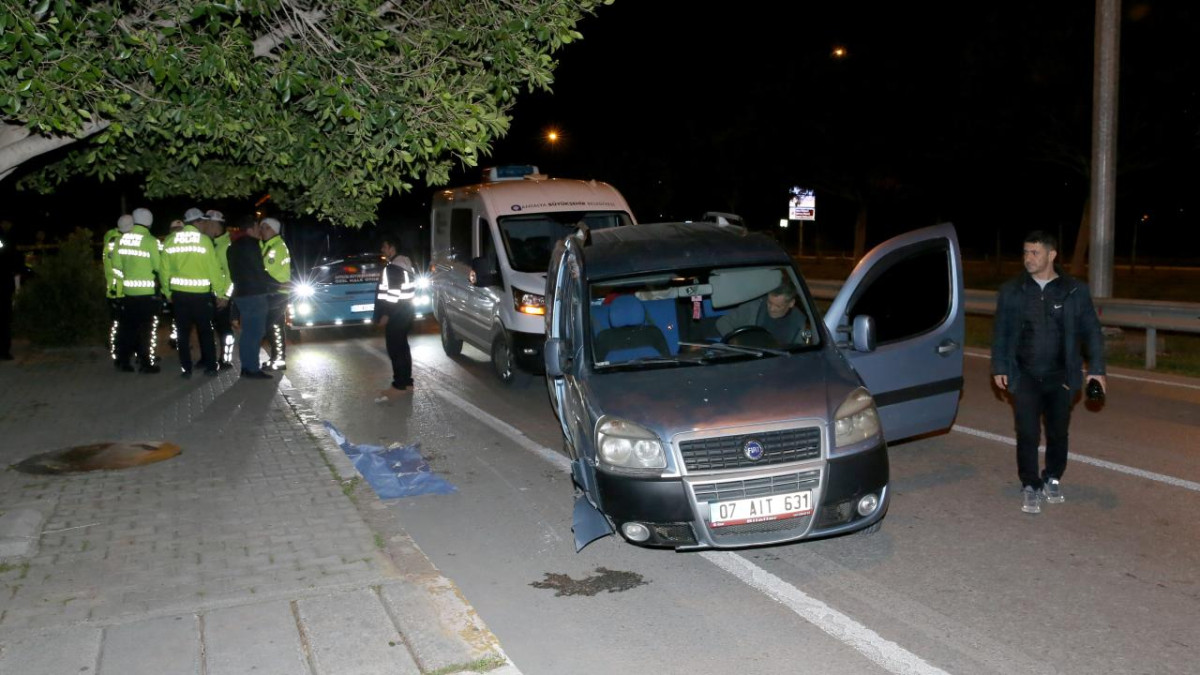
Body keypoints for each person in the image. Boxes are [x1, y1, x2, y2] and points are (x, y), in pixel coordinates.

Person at [992, 230, 1106, 514]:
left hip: (1061, 377)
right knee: (1027, 432)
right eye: (1025, 252)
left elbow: (1092, 331)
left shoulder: (1074, 291)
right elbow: (1001, 332)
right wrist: (999, 366)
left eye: (1035, 253)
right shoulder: (1012, 291)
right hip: (1025, 374)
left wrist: (1097, 370)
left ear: (1051, 255)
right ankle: (1030, 484)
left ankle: (1053, 476)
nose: (1028, 258)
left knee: (1058, 433)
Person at [162, 209, 227, 377]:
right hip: (200, 296)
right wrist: (220, 293)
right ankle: (211, 368)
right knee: (205, 331)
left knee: (183, 334)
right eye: (203, 221)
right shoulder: (204, 241)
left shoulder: (171, 241)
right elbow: (213, 270)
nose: (205, 223)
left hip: (179, 295)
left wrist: (167, 292)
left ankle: (186, 369)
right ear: (197, 222)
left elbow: (164, 271)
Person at [112, 208, 164, 373]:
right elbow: (158, 266)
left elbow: (117, 265)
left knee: (127, 328)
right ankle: (144, 363)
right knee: (145, 330)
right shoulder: (150, 241)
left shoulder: (122, 239)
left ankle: (123, 360)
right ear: (150, 221)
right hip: (146, 294)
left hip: (128, 292)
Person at [226, 220, 274, 379]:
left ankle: (246, 367)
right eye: (257, 227)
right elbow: (258, 270)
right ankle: (252, 368)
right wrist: (276, 284)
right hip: (255, 293)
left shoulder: (232, 247)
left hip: (240, 293)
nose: (260, 231)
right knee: (256, 332)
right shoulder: (252, 245)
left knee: (247, 332)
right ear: (250, 229)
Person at [373, 234, 417, 401]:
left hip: (396, 315)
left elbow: (393, 294)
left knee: (395, 350)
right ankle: (407, 383)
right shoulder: (405, 264)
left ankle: (399, 385)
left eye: (385, 246)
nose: (382, 250)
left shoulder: (394, 268)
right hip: (405, 312)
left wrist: (386, 314)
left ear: (392, 248)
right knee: (403, 348)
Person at [716, 281, 811, 345]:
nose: (772, 309)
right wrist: (735, 341)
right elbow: (722, 322)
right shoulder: (754, 308)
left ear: (791, 303)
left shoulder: (799, 322)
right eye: (769, 302)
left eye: (778, 306)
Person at [259, 217, 291, 370]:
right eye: (261, 227)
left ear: (273, 230)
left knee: (275, 327)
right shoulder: (266, 245)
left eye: (265, 227)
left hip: (277, 293)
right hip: (271, 292)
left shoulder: (278, 247)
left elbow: (269, 272)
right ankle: (275, 358)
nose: (262, 230)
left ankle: (279, 360)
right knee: (271, 327)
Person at [205, 210, 235, 369]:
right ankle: (215, 358)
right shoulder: (215, 244)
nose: (204, 227)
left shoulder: (224, 246)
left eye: (207, 224)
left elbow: (232, 275)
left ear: (214, 225)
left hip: (221, 298)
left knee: (224, 329)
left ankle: (226, 360)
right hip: (213, 296)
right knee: (217, 328)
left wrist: (225, 296)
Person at [101, 216, 130, 366]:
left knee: (119, 325)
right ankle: (120, 357)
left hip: (114, 290)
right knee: (122, 327)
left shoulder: (111, 240)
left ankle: (120, 354)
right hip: (119, 291)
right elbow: (118, 268)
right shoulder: (117, 242)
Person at [0, 219, 21, 361]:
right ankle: (4, 351)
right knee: (5, 319)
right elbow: (11, 258)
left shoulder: (7, 238)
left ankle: (4, 350)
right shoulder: (6, 238)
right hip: (4, 282)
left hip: (5, 282)